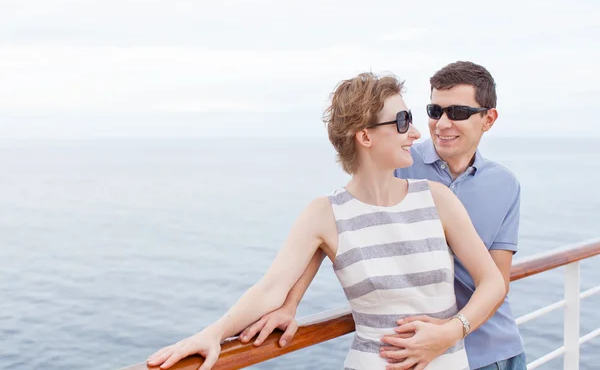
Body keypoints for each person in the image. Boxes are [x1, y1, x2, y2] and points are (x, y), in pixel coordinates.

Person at [146, 72, 505, 370]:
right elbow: (270, 289)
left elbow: (492, 281)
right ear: (365, 136)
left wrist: (452, 332)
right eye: (401, 121)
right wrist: (212, 333)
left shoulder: (436, 197)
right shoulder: (325, 213)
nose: (414, 133)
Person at [241, 62, 526, 370]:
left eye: (457, 112)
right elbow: (334, 231)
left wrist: (449, 332)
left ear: (489, 119)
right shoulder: (397, 161)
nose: (442, 123)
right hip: (408, 346)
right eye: (434, 111)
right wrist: (290, 303)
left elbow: (498, 279)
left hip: (490, 347)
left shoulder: (505, 184)